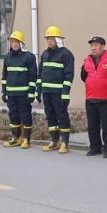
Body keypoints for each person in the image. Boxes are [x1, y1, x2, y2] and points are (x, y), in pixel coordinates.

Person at [80, 36, 107, 158]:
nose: (93, 47)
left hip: (105, 98)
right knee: (92, 125)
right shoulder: (87, 60)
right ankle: (95, 147)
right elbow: (83, 76)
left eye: (96, 45)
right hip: (91, 98)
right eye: (92, 45)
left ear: (102, 46)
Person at [37, 26, 75, 154]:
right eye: (48, 39)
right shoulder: (45, 53)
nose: (49, 41)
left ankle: (64, 143)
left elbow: (69, 75)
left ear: (58, 39)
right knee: (50, 116)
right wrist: (38, 90)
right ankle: (54, 141)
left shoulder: (66, 54)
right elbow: (40, 73)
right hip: (46, 92)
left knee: (62, 116)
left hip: (59, 93)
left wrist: (65, 93)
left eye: (52, 39)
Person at [1, 31, 37, 149]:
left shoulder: (29, 57)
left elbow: (33, 77)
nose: (14, 44)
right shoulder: (7, 57)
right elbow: (4, 76)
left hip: (24, 94)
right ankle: (15, 138)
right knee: (13, 116)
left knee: (26, 116)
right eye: (12, 42)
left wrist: (32, 93)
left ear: (21, 43)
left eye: (16, 42)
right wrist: (4, 92)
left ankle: (26, 139)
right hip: (11, 94)